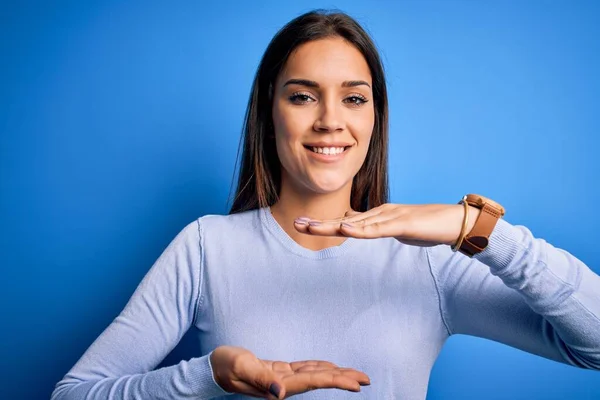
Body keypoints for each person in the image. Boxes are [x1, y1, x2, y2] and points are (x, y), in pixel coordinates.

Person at [51, 9, 600, 400]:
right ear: (271, 114)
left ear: (374, 120)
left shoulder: (429, 260)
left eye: (354, 98)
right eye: (302, 95)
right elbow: (73, 395)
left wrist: (475, 227)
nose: (329, 120)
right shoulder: (206, 247)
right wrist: (204, 379)